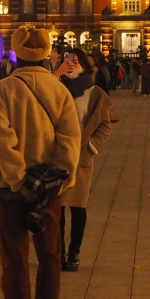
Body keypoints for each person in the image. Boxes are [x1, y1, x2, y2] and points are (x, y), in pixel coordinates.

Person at [0, 26, 81, 299]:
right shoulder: (60, 91)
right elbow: (70, 140)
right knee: (51, 256)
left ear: (16, 53)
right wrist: (57, 178)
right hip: (48, 189)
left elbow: (2, 141)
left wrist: (18, 179)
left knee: (14, 257)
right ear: (46, 53)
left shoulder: (4, 89)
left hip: (10, 189)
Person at [57, 48, 116, 272]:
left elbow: (105, 123)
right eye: (66, 60)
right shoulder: (56, 88)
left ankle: (74, 253)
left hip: (81, 155)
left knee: (78, 207)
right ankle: (58, 252)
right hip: (59, 156)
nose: (71, 64)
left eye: (75, 60)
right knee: (58, 209)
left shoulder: (94, 92)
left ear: (84, 65)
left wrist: (92, 147)